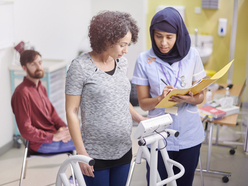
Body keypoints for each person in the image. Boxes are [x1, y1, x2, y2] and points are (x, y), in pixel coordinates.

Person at [65, 10, 146, 186]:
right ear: (107, 40)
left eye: (128, 44)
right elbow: (71, 111)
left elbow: (121, 99)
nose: (125, 50)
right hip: (94, 153)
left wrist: (140, 119)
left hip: (123, 149)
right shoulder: (80, 67)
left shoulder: (121, 62)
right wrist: (81, 152)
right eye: (122, 44)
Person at [132, 7, 206, 186]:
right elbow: (143, 104)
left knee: (184, 183)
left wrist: (188, 98)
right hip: (158, 136)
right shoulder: (144, 59)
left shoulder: (192, 55)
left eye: (169, 37)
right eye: (158, 36)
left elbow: (201, 96)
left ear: (178, 34)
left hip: (189, 135)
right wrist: (159, 98)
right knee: (157, 182)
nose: (163, 42)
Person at [11, 50, 75, 154]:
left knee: (90, 132)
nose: (38, 67)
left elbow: (53, 115)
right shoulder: (21, 93)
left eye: (40, 62)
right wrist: (53, 136)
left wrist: (65, 129)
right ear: (24, 68)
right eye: (33, 64)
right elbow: (25, 130)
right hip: (40, 143)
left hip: (53, 135)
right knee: (91, 142)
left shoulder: (41, 88)